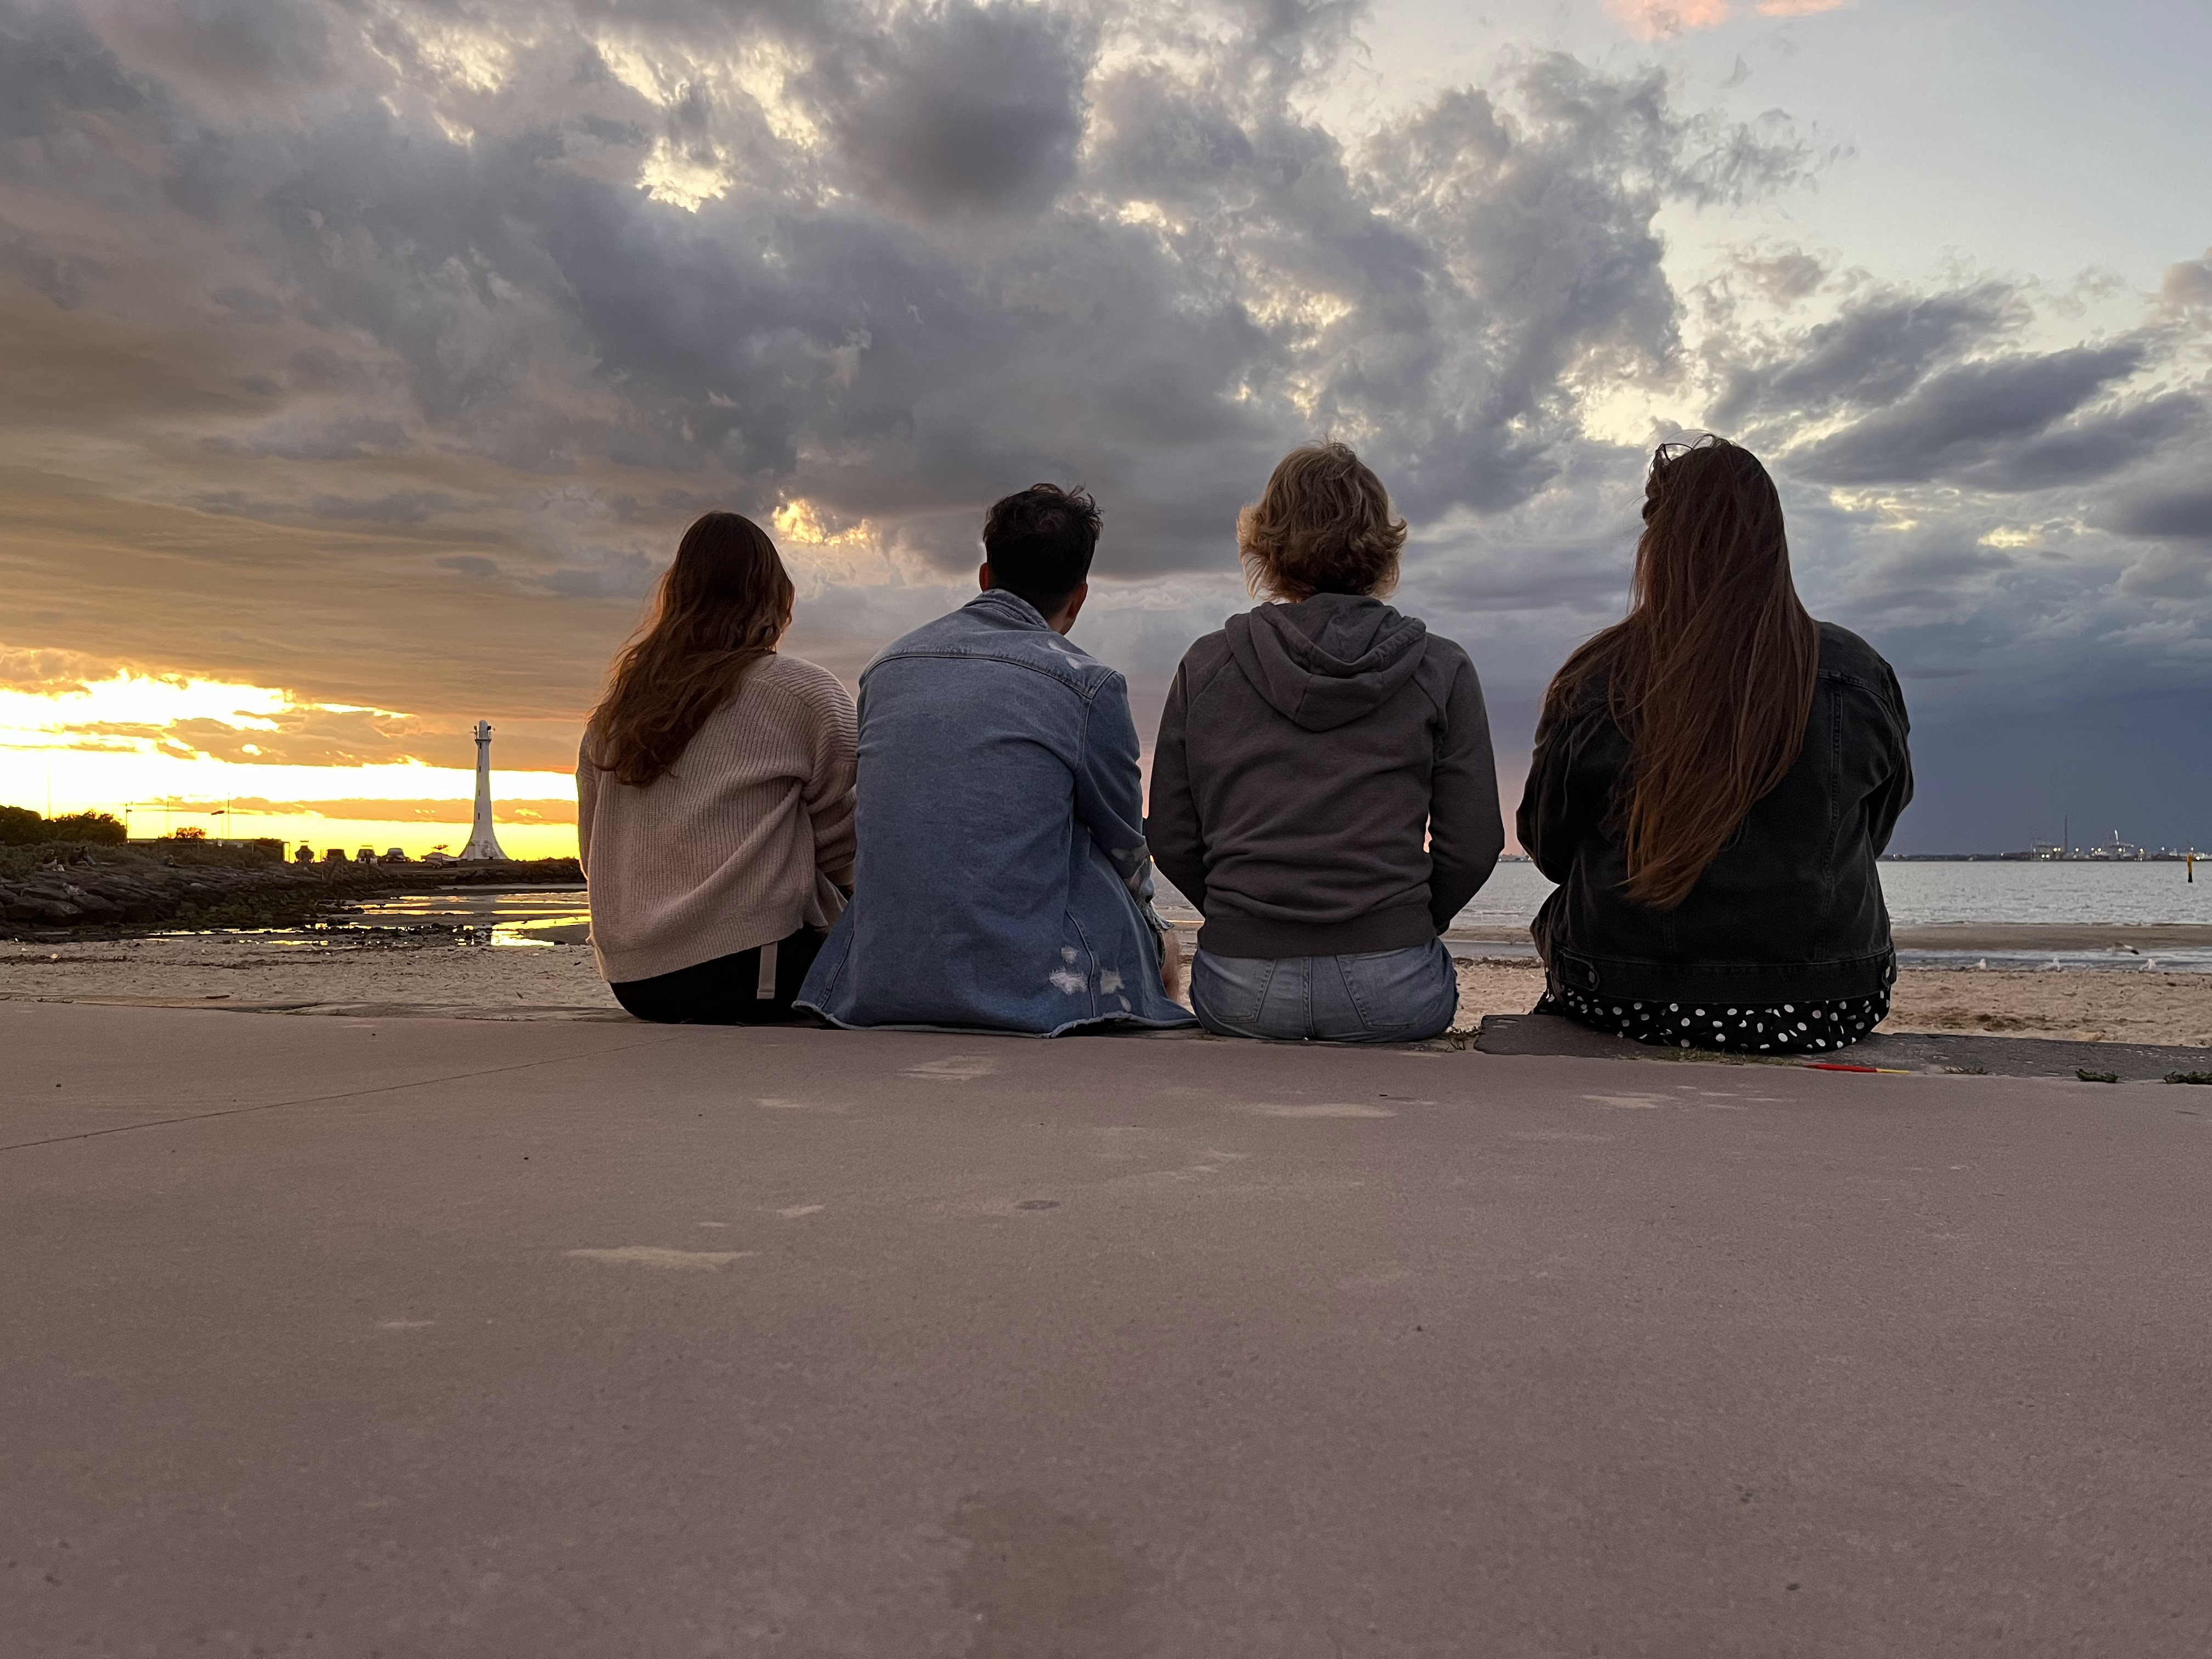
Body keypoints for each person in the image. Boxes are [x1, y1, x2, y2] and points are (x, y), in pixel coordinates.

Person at [1517, 435, 1914, 1054]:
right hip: (1829, 999)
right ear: (1773, 541)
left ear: (1659, 548)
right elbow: (1873, 828)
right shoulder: (1858, 673)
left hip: (1625, 993)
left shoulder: (1598, 678)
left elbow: (1549, 848)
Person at [796, 484, 1192, 1035]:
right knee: (1161, 939)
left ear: (985, 576)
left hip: (876, 978)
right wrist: (1150, 925)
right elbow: (1125, 846)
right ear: (1078, 599)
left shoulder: (886, 670)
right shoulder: (1089, 686)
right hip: (1028, 986)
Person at [1148, 442, 1504, 1043]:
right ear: (1382, 545)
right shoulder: (1440, 668)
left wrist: (1244, 918)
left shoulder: (1207, 665)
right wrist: (1404, 921)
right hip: (1394, 981)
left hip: (1239, 987)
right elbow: (1473, 843)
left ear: (1267, 543)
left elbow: (1171, 835)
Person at [577, 511, 856, 1024]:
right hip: (753, 972)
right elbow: (846, 843)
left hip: (636, 983)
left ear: (676, 597)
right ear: (777, 599)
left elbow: (593, 855)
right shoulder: (804, 695)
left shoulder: (613, 717)